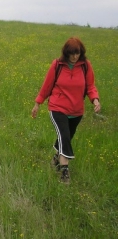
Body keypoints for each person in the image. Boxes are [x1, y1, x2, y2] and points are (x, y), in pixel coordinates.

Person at [31, 37, 101, 183]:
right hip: (57, 108)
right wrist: (38, 103)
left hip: (76, 111)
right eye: (72, 53)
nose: (75, 56)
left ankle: (56, 158)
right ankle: (64, 172)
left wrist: (95, 100)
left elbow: (90, 86)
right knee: (64, 136)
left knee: (67, 137)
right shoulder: (57, 65)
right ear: (66, 53)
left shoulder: (85, 66)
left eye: (77, 53)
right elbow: (47, 86)